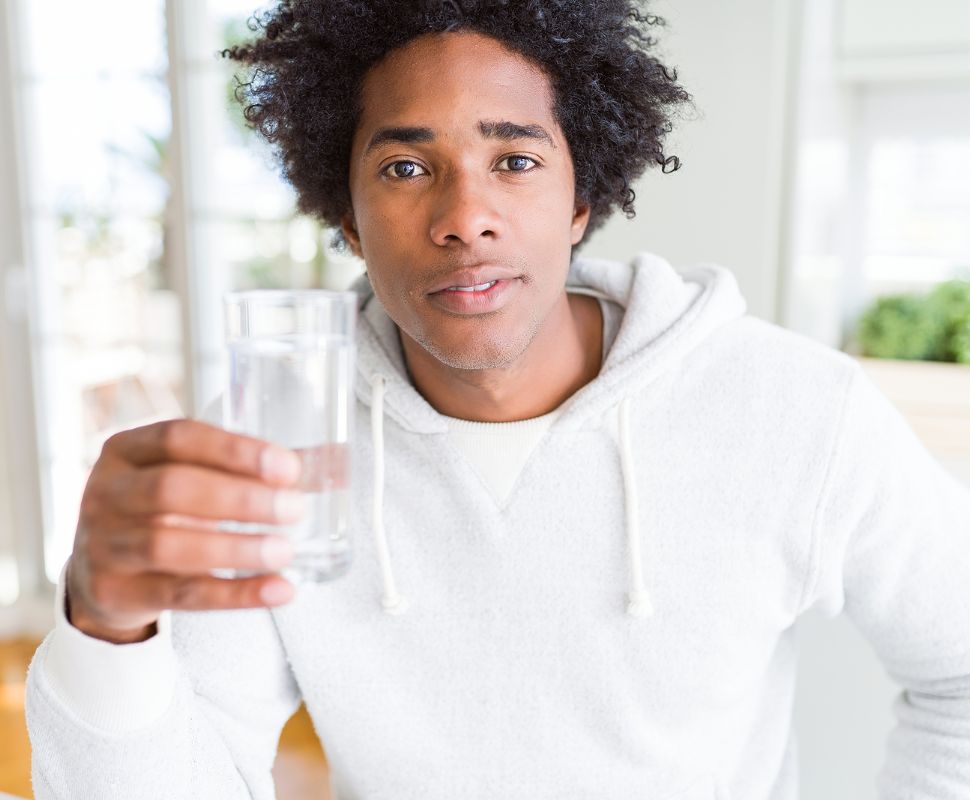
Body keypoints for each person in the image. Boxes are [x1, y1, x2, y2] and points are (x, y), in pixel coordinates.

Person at [24, 1, 970, 798]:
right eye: (404, 167)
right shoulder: (283, 449)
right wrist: (106, 623)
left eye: (514, 161)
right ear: (346, 218)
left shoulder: (796, 411)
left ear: (580, 201)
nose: (462, 216)